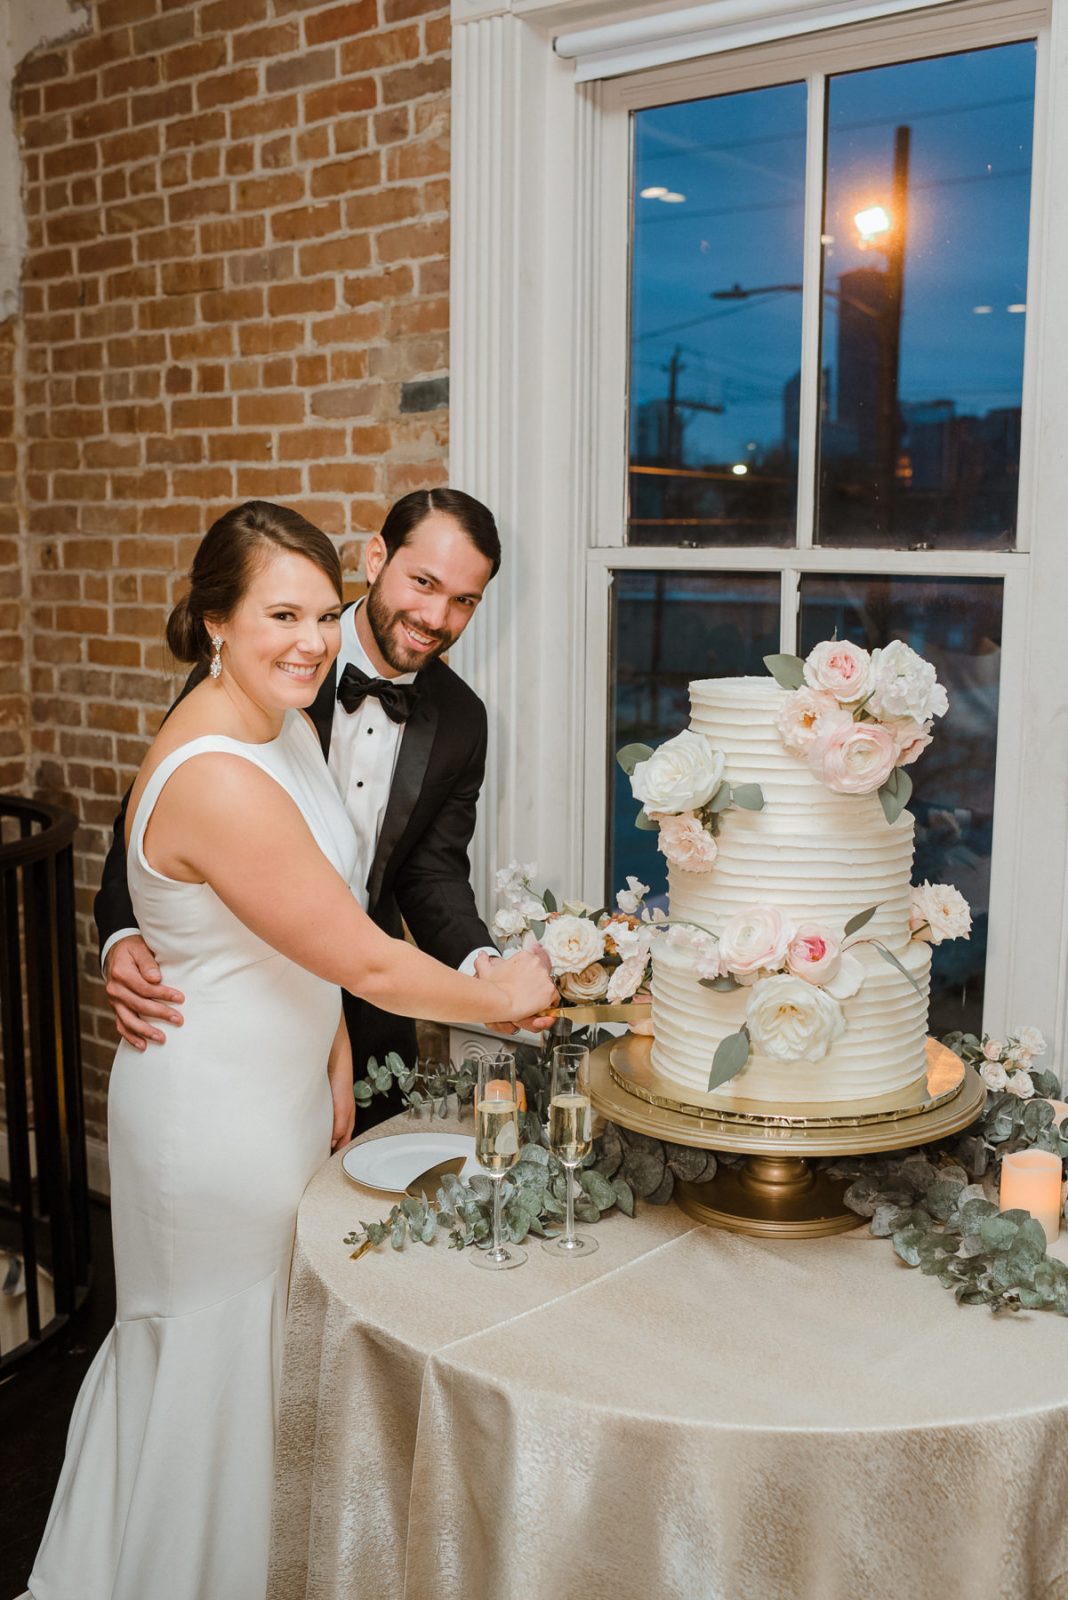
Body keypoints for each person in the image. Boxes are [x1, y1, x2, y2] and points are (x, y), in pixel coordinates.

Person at [25, 502, 556, 1600]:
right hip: (211, 1106)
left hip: (291, 1076)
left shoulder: (295, 714)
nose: (312, 640)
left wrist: (331, 1044)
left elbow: (376, 896)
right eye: (282, 614)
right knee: (212, 1365)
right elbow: (358, 950)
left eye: (319, 616)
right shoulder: (225, 757)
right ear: (216, 620)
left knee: (268, 1361)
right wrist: (498, 996)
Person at [96, 489, 531, 1126]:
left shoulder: (463, 718)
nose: (436, 617)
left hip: (372, 1018)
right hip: (236, 1009)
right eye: (423, 582)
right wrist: (122, 931)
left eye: (464, 600)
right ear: (376, 558)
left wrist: (482, 966)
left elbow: (431, 871)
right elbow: (159, 804)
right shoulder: (262, 665)